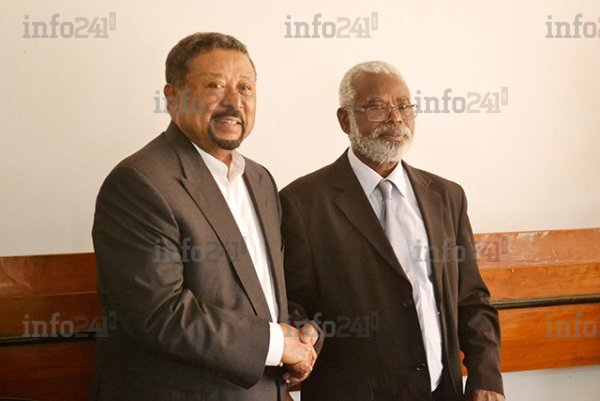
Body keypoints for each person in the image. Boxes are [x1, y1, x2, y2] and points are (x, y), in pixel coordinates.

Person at [91, 32, 316, 401]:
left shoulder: (260, 179)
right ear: (172, 97)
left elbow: (266, 295)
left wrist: (301, 336)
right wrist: (278, 344)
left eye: (245, 88)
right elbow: (159, 313)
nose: (234, 102)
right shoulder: (139, 182)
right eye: (215, 86)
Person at [280, 61, 505, 401]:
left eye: (404, 106)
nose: (395, 119)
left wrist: (485, 377)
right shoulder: (301, 202)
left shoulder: (446, 197)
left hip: (442, 393)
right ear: (345, 120)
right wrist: (302, 335)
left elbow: (472, 300)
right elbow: (292, 303)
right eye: (377, 107)